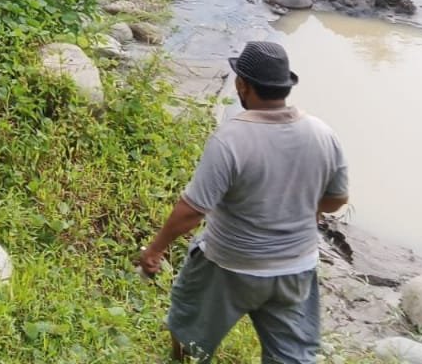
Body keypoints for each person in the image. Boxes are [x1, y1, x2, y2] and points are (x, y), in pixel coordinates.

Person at [137, 40, 350, 364]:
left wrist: (155, 249)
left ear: (241, 85)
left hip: (229, 265)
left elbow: (192, 212)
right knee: (290, 357)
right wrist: (303, 204)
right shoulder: (322, 133)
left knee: (186, 323)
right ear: (284, 86)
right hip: (296, 267)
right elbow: (337, 199)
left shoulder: (231, 139)